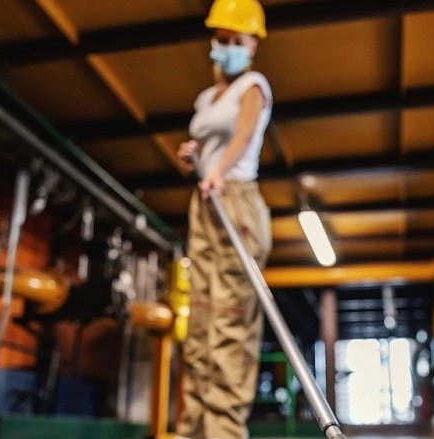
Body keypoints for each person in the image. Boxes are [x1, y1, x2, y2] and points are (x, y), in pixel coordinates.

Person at [175, 0, 272, 438]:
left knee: (229, 323)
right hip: (205, 201)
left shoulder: (253, 85)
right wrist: (191, 158)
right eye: (222, 39)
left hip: (235, 198)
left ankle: (223, 432)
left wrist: (217, 169)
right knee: (200, 323)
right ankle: (192, 428)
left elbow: (246, 132)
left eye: (238, 40)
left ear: (252, 46)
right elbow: (205, 145)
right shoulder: (206, 97)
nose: (229, 46)